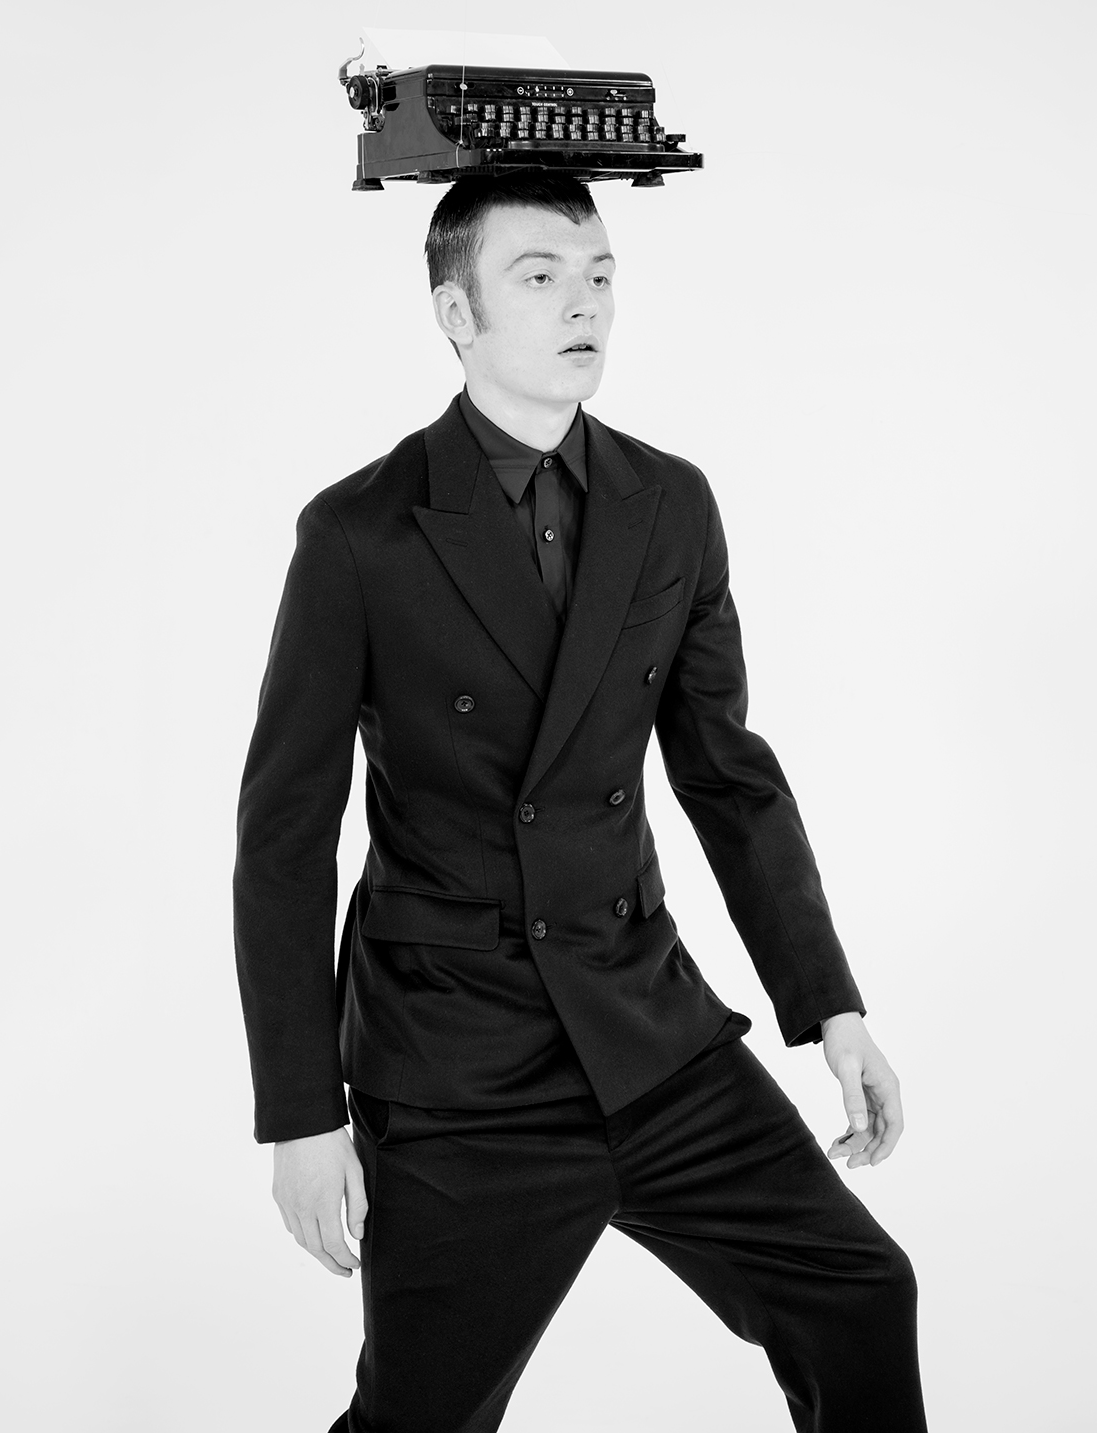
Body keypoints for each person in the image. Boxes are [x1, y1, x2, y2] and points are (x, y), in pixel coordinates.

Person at [233, 170, 928, 1433]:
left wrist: (827, 1004)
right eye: (540, 276)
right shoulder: (359, 533)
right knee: (419, 1417)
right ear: (456, 313)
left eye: (599, 275)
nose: (583, 304)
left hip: (647, 1028)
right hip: (460, 1071)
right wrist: (300, 1112)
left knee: (859, 1292)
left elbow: (725, 772)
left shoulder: (670, 502)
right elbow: (283, 838)